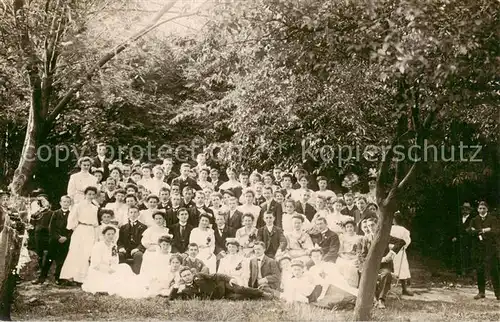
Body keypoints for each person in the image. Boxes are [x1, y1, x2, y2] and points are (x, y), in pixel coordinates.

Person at [358, 217, 406, 309]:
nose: (370, 227)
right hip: (371, 265)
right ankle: (374, 298)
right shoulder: (365, 238)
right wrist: (367, 264)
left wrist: (390, 254)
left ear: (377, 225)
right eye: (368, 226)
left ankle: (381, 300)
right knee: (365, 274)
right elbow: (363, 255)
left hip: (384, 265)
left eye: (372, 225)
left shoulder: (384, 236)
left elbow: (401, 242)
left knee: (387, 274)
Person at [82, 226, 139, 297]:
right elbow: (95, 264)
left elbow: (115, 260)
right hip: (99, 270)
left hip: (111, 268)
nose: (111, 236)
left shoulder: (113, 246)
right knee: (113, 279)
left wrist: (113, 268)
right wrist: (107, 269)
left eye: (112, 234)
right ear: (103, 235)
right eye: (108, 234)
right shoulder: (98, 246)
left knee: (125, 266)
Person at [60, 186, 99, 286]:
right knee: (76, 252)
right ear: (85, 194)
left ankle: (81, 278)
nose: (91, 196)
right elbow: (72, 219)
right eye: (89, 194)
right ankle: (70, 276)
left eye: (93, 194)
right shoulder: (78, 205)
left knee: (87, 253)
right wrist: (75, 228)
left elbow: (96, 222)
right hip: (80, 230)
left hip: (90, 230)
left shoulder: (95, 207)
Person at [169, 266, 273, 300]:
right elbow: (171, 298)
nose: (187, 277)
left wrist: (230, 279)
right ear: (181, 278)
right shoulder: (186, 290)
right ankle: (260, 294)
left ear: (191, 274)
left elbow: (217, 276)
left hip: (223, 285)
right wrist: (176, 286)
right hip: (221, 295)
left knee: (239, 289)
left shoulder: (199, 275)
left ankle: (262, 293)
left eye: (188, 274)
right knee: (238, 297)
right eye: (184, 276)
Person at [467, 201, 500, 300]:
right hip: (478, 248)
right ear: (477, 209)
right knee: (480, 270)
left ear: (487, 209)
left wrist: (482, 231)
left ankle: (498, 293)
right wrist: (485, 230)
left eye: (483, 208)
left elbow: (496, 231)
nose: (481, 210)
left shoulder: (493, 219)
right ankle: (481, 292)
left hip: (490, 248)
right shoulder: (474, 219)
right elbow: (470, 231)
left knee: (494, 270)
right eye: (480, 208)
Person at [36, 196, 71, 285]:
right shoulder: (55, 213)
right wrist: (58, 237)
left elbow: (71, 228)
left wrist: (66, 237)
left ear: (70, 203)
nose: (66, 203)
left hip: (65, 240)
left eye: (68, 202)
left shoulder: (71, 214)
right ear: (60, 203)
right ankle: (42, 278)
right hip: (54, 240)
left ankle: (58, 278)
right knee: (49, 259)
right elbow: (51, 227)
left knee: (61, 260)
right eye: (64, 202)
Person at [117, 206, 147, 274]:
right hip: (125, 249)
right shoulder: (123, 227)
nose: (133, 214)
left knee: (139, 255)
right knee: (119, 255)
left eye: (135, 212)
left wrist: (138, 248)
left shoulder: (143, 227)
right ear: (128, 214)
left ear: (138, 214)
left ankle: (137, 274)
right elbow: (120, 241)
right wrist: (121, 248)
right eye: (131, 212)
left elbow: (144, 241)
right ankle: (121, 275)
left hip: (136, 249)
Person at [31, 194, 53, 284]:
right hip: (38, 234)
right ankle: (41, 270)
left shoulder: (51, 212)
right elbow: (32, 220)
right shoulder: (37, 212)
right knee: (39, 253)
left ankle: (43, 274)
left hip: (47, 234)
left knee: (47, 253)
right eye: (41, 201)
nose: (43, 203)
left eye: (44, 201)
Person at [390, 211, 413, 296]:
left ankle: (404, 289)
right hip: (397, 251)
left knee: (400, 268)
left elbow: (406, 241)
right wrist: (404, 246)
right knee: (400, 268)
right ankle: (403, 288)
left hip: (394, 250)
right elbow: (407, 242)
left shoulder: (392, 229)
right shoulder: (403, 230)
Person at [335, 220, 361, 287]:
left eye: (351, 226)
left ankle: (352, 286)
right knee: (341, 265)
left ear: (354, 227)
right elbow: (340, 251)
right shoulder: (343, 237)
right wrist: (344, 257)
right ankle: (342, 286)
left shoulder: (358, 238)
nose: (349, 228)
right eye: (347, 227)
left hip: (354, 257)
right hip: (344, 257)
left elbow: (359, 251)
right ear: (345, 228)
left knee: (352, 267)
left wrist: (354, 257)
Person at [452, 202, 475, 276]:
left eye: (467, 209)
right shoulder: (459, 218)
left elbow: (471, 229)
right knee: (459, 254)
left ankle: (467, 271)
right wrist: (455, 236)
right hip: (459, 239)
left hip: (468, 240)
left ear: (469, 211)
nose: (465, 211)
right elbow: (455, 228)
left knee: (467, 254)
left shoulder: (472, 219)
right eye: (464, 209)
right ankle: (459, 271)